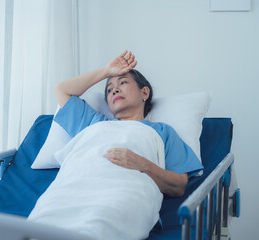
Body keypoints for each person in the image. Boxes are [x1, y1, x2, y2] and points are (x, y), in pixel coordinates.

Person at [54, 50, 203, 197]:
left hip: (123, 195)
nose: (114, 90)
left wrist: (141, 164)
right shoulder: (95, 123)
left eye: (123, 82)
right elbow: (62, 90)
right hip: (73, 189)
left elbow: (179, 186)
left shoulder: (162, 132)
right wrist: (106, 71)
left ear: (144, 93)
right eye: (109, 89)